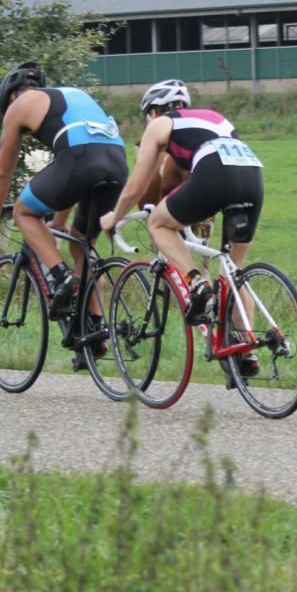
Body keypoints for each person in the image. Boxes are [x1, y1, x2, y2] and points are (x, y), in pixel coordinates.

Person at [99, 79, 264, 376]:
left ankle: (197, 283)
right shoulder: (211, 117)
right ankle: (247, 350)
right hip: (252, 175)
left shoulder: (160, 124)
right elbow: (183, 180)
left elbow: (137, 186)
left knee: (158, 224)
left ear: (153, 111)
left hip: (216, 172)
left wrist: (114, 216)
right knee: (234, 273)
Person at [0, 62, 127, 326]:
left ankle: (62, 276)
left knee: (23, 212)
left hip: (80, 159)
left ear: (10, 97)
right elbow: (71, 175)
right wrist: (58, 222)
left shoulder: (19, 106)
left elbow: (2, 173)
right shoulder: (71, 94)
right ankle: (96, 330)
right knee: (80, 245)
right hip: (117, 163)